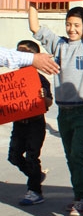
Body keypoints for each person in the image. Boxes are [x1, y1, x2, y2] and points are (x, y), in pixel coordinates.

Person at [28, 0, 83, 216]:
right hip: (63, 110)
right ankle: (78, 194)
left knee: (78, 151)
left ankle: (82, 198)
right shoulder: (58, 44)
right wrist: (32, 0)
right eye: (69, 24)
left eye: (77, 25)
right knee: (70, 154)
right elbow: (34, 26)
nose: (71, 29)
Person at [8, 40, 53, 206]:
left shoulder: (40, 79)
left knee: (32, 156)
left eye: (24, 54)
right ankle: (36, 176)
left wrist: (43, 97)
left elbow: (49, 102)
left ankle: (34, 191)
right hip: (19, 124)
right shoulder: (13, 79)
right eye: (17, 53)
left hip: (35, 124)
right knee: (13, 156)